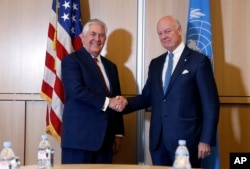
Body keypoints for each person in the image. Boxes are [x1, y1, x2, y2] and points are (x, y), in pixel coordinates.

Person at [118, 15, 220, 168]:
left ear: (179, 30)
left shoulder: (199, 61)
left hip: (187, 142)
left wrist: (206, 139)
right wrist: (125, 103)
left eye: (167, 31)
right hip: (158, 141)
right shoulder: (156, 64)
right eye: (160, 33)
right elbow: (147, 97)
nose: (164, 36)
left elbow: (210, 103)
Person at [61, 19, 125, 164]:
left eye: (101, 35)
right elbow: (75, 90)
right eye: (93, 34)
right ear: (83, 37)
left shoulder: (111, 66)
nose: (97, 39)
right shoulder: (71, 61)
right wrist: (108, 102)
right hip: (79, 141)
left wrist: (118, 133)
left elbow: (116, 99)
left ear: (105, 39)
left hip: (106, 141)